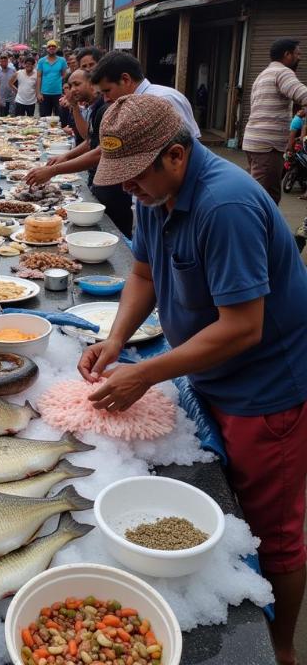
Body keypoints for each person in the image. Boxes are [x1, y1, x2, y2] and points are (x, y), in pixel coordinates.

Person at [80, 93, 307, 665]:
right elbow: (142, 272)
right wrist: (115, 340)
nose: (127, 190)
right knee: (229, 503)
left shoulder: (223, 205)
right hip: (209, 375)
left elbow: (242, 328)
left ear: (176, 155)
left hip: (264, 390)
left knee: (272, 530)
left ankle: (278, 648)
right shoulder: (156, 195)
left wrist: (145, 374)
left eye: (135, 178)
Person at [26, 69, 133, 239]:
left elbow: (100, 153)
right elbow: (90, 139)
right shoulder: (96, 107)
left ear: (92, 84)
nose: (72, 89)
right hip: (98, 179)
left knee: (114, 234)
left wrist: (53, 170)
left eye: (77, 84)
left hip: (113, 186)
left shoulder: (105, 108)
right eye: (70, 86)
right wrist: (66, 156)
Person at [242, 38, 307, 204]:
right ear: (287, 54)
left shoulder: (263, 74)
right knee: (260, 198)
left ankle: (268, 228)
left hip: (255, 142)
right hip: (267, 147)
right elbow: (302, 94)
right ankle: (251, 229)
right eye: (297, 54)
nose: (300, 58)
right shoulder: (283, 72)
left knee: (270, 195)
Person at [90, 51, 201, 140]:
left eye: (107, 91)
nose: (105, 99)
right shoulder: (130, 105)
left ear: (125, 79)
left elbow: (186, 147)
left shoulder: (164, 100)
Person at [36, 40, 67, 117]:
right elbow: (39, 77)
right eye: (49, 46)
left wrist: (65, 93)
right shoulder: (41, 61)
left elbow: (65, 76)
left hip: (59, 93)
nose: (51, 48)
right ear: (47, 49)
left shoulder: (62, 60)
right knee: (44, 118)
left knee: (60, 117)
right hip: (44, 94)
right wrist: (38, 93)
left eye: (53, 46)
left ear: (56, 48)